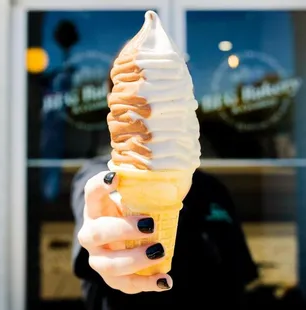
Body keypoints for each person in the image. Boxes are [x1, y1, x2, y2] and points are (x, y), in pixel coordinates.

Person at [70, 69, 258, 310]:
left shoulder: (212, 188)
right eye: (142, 93)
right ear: (116, 104)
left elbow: (237, 278)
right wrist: (110, 227)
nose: (155, 107)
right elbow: (93, 203)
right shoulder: (102, 175)